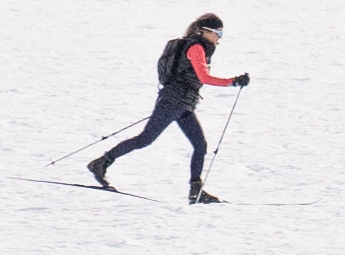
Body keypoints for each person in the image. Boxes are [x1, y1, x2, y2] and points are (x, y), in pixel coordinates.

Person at [92, 11, 247, 203]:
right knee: (145, 139)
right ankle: (101, 163)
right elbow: (203, 78)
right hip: (173, 102)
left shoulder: (200, 47)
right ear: (206, 31)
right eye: (218, 33)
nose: (219, 39)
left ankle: (196, 192)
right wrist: (233, 81)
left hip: (182, 104)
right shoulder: (196, 47)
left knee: (200, 145)